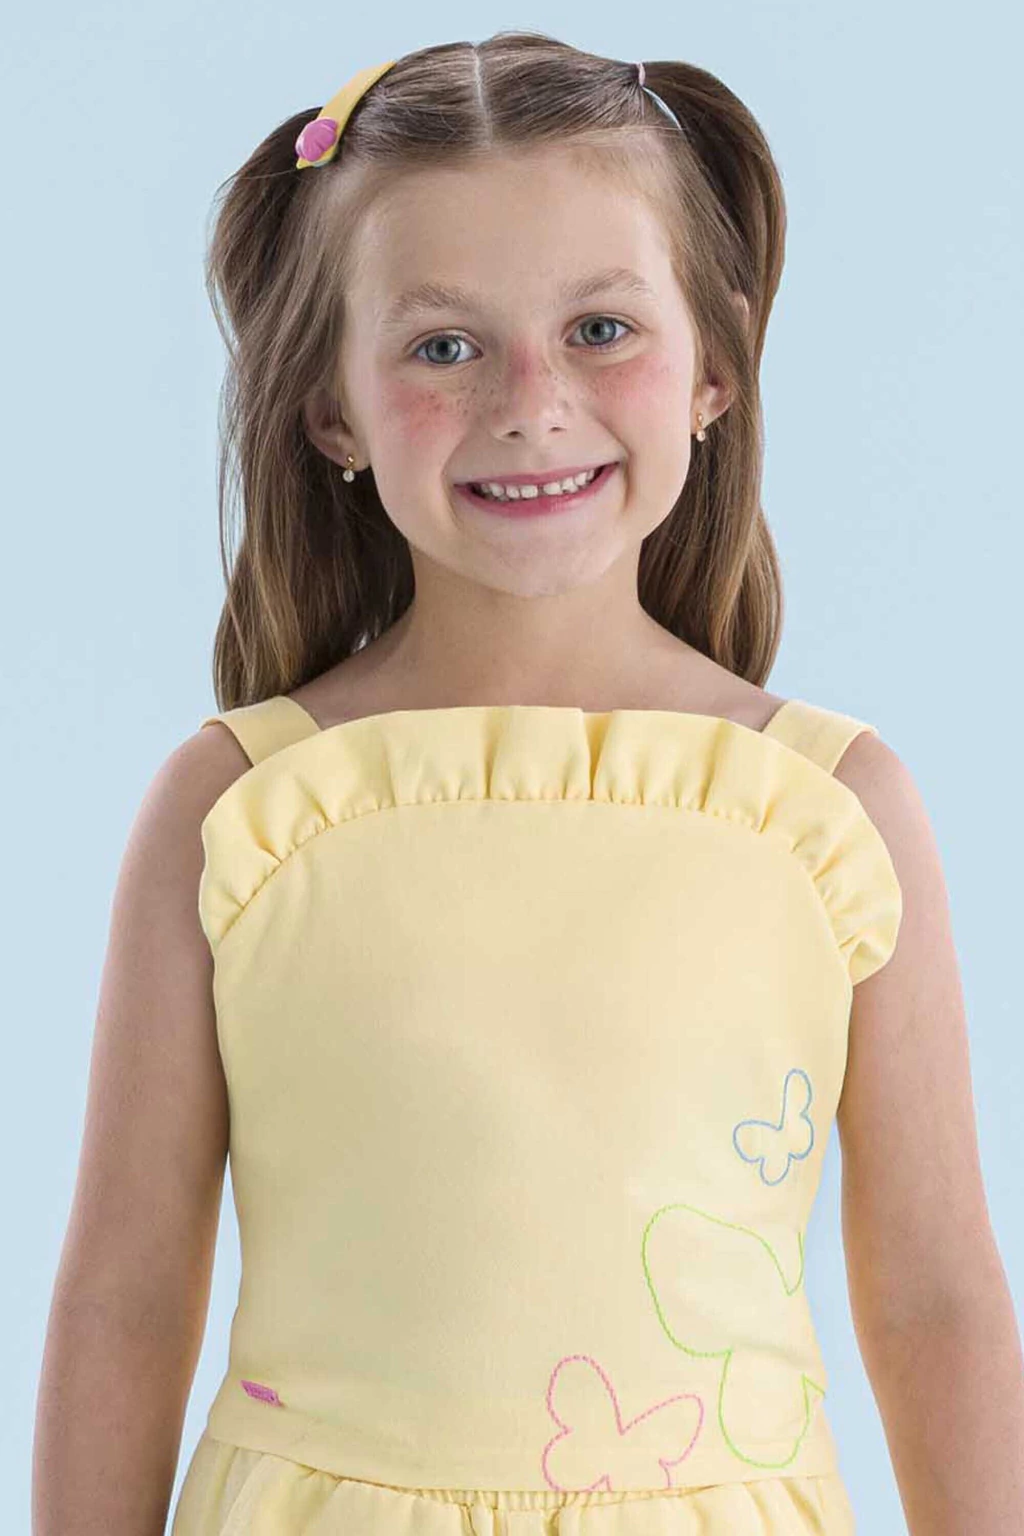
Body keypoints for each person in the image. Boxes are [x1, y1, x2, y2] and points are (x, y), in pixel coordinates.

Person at [32, 30, 1024, 1536]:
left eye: (601, 329)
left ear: (715, 368)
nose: (532, 400)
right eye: (444, 346)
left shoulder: (829, 812)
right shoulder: (240, 811)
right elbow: (122, 1296)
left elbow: (938, 1296)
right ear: (332, 410)